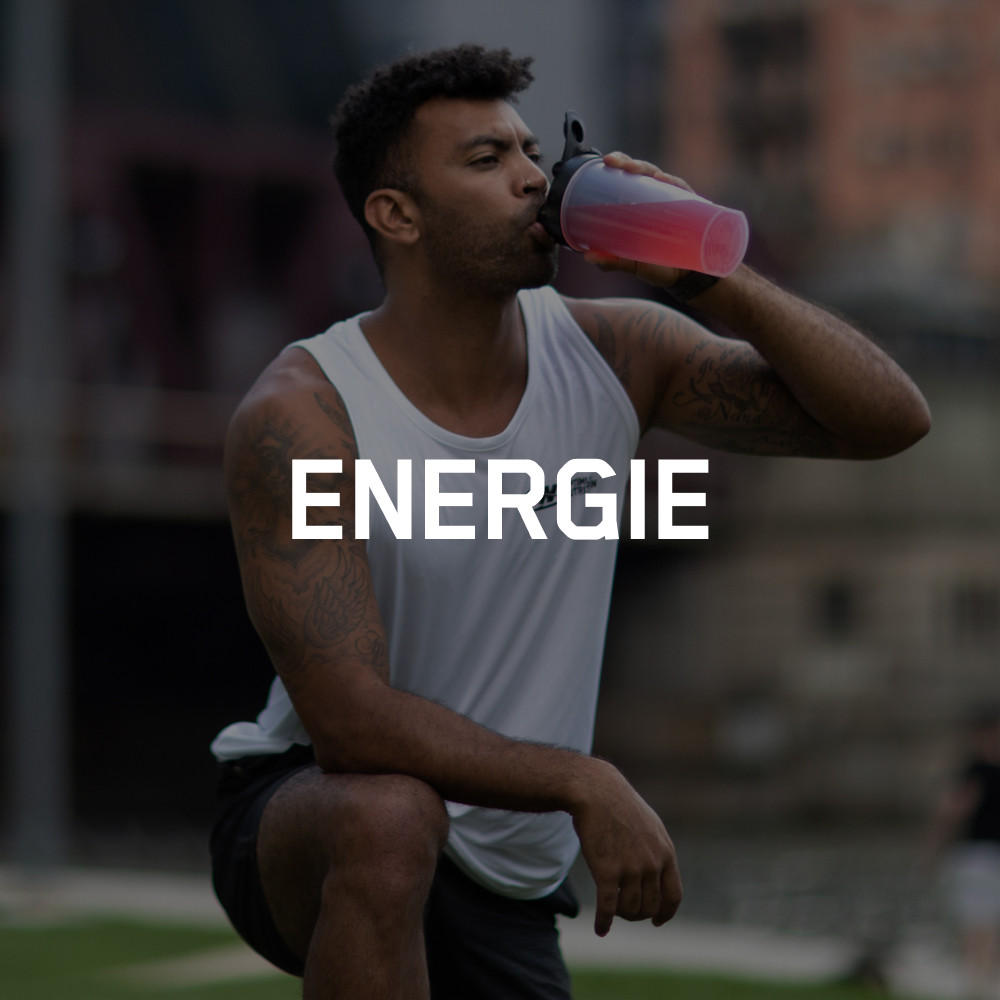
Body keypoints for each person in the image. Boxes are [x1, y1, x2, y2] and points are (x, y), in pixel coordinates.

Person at [208, 44, 931, 999]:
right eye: (485, 160)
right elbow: (350, 725)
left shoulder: (617, 353)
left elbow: (888, 421)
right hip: (319, 814)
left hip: (511, 869)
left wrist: (709, 274)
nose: (531, 180)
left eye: (531, 153)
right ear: (396, 215)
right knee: (389, 817)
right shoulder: (305, 414)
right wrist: (585, 781)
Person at [927, 705, 1000, 1000]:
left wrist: (935, 842)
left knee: (982, 922)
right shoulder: (976, 770)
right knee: (980, 921)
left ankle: (980, 981)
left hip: (983, 856)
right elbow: (955, 808)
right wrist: (936, 842)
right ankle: (978, 981)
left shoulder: (975, 770)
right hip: (979, 856)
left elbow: (952, 808)